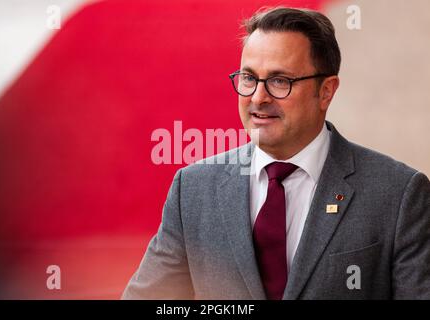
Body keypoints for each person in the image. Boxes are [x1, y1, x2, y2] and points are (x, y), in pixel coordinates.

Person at [122, 7, 430, 299]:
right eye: (248, 78)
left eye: (280, 81)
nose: (258, 97)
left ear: (326, 91)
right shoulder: (193, 190)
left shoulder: (399, 194)